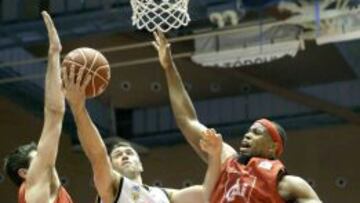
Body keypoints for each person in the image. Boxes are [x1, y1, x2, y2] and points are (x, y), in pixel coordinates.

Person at [153, 30, 322, 203]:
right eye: (249, 131)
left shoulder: (288, 184)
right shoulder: (226, 159)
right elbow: (187, 121)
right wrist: (169, 67)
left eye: (257, 132)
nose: (248, 135)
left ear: (273, 147)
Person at [63, 65, 204, 203]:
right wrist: (78, 108)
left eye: (129, 153)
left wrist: (170, 68)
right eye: (117, 155)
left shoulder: (164, 195)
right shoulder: (111, 189)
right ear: (110, 167)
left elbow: (208, 192)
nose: (124, 156)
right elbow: (97, 155)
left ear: (141, 165)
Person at [3, 11, 73, 203]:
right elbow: (54, 115)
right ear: (25, 173)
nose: (46, 155)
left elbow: (56, 114)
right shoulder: (33, 189)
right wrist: (54, 53)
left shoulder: (54, 191)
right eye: (39, 157)